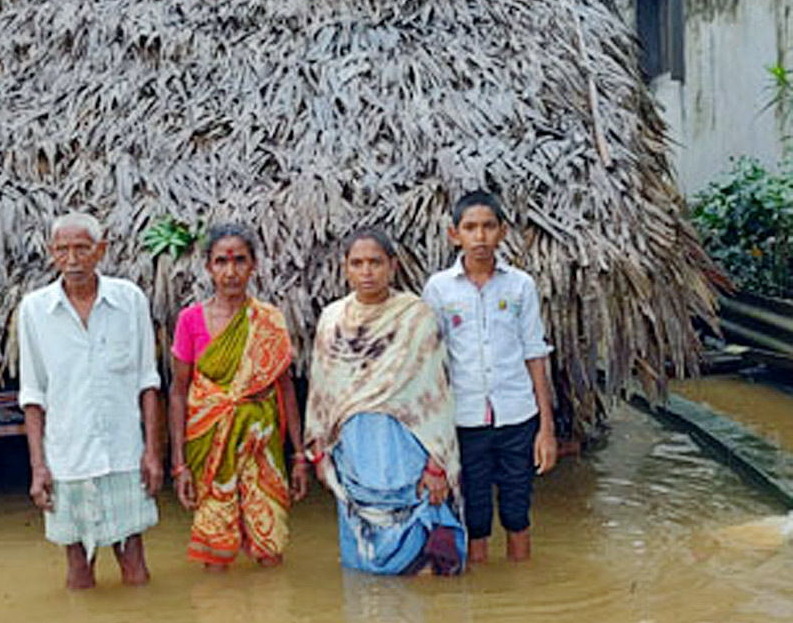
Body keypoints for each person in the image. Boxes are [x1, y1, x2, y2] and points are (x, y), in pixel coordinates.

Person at [305, 228, 467, 576]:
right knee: (362, 562)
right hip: (352, 449)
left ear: (392, 265)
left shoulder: (416, 316)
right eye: (357, 263)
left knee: (422, 562)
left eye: (375, 263)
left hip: (406, 445)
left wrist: (437, 465)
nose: (367, 272)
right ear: (345, 268)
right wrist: (320, 452)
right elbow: (322, 391)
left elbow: (435, 394)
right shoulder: (332, 319)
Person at [17, 212, 164, 589]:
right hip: (68, 458)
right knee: (78, 569)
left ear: (101, 250)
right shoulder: (34, 310)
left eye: (82, 248)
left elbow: (148, 382)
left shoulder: (129, 299)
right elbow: (33, 396)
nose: (72, 259)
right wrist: (39, 467)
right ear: (51, 253)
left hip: (123, 454)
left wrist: (151, 452)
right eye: (62, 250)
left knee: (134, 564)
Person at [422, 190, 558, 563]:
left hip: (517, 415)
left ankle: (518, 589)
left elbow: (534, 354)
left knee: (517, 511)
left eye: (487, 227)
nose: (479, 236)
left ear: (502, 232)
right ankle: (483, 598)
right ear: (455, 235)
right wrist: (434, 438)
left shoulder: (520, 286)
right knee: (476, 514)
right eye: (470, 228)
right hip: (464, 420)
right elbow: (434, 364)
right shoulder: (438, 289)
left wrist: (546, 430)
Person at [168, 223, 310, 569]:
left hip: (262, 440)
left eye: (239, 261)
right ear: (208, 267)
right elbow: (178, 392)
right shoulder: (190, 321)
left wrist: (299, 456)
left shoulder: (269, 319)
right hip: (209, 440)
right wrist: (179, 464)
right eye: (220, 262)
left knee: (269, 544)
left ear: (254, 265)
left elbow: (286, 389)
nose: (230, 272)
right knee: (215, 550)